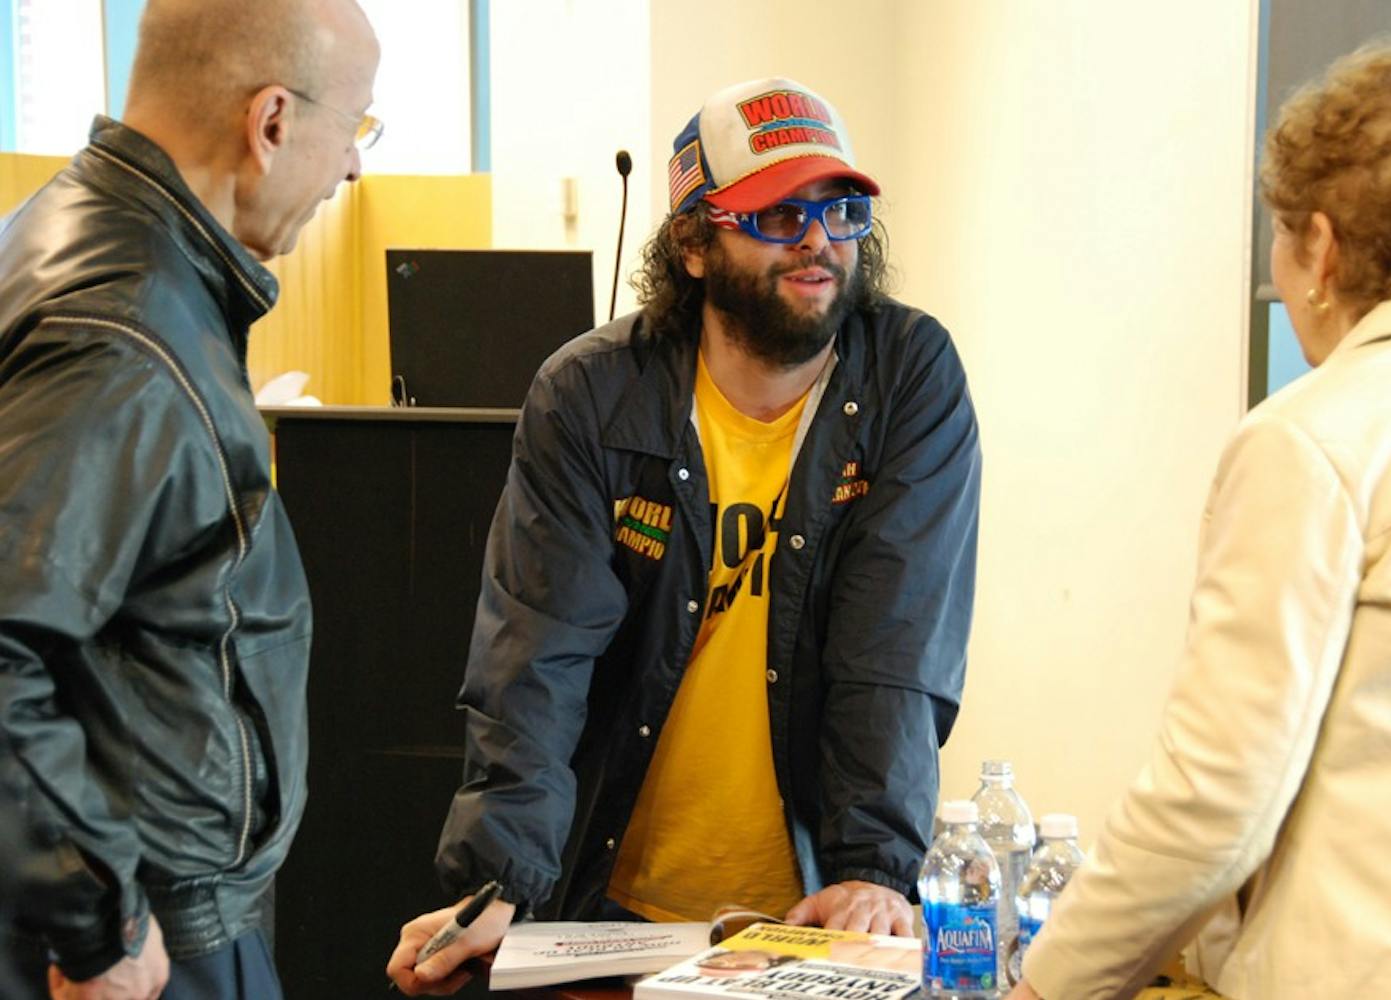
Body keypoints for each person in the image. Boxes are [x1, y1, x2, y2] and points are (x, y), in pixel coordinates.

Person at [387, 77, 980, 995]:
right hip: (616, 906)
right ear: (695, 244)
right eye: (778, 215)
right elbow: (536, 658)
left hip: (815, 909)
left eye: (840, 209)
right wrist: (500, 880)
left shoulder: (908, 377)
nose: (819, 240)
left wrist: (872, 865)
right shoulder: (589, 395)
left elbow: (894, 643)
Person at [1005, 35, 1391, 1000]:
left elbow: (1213, 802)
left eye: (1279, 232)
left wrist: (1047, 987)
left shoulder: (1315, 440)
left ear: (1321, 246)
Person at [0, 0, 380, 996]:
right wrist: (99, 923)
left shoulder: (73, 238)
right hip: (149, 930)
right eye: (355, 126)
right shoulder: (124, 333)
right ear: (272, 122)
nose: (352, 166)